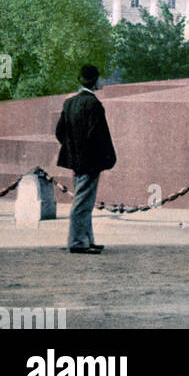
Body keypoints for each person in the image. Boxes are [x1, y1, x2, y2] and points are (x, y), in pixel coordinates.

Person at [55, 65, 116, 255]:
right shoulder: (94, 104)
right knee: (83, 202)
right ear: (96, 80)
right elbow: (100, 136)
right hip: (90, 161)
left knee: (84, 200)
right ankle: (77, 241)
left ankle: (86, 239)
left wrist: (73, 150)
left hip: (76, 160)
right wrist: (107, 158)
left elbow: (60, 132)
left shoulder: (69, 103)